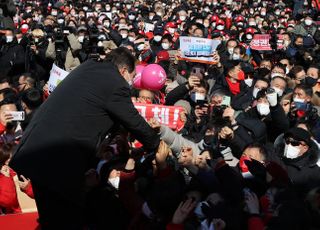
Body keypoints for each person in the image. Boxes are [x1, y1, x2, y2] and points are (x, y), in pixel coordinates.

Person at [10, 47, 161, 229]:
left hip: (36, 153)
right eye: (132, 76)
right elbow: (132, 120)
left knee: (51, 220)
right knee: (65, 220)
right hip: (57, 162)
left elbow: (99, 110)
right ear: (123, 71)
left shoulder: (87, 68)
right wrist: (156, 143)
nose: (131, 82)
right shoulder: (115, 82)